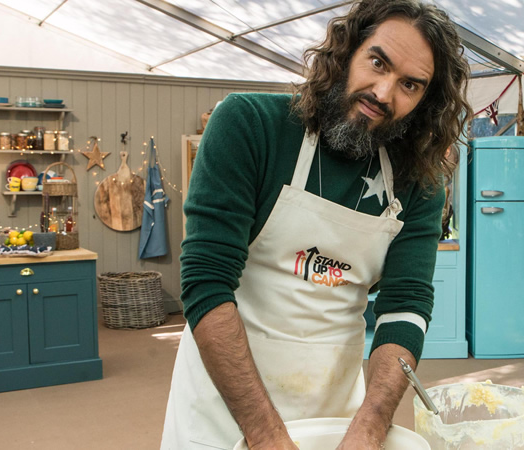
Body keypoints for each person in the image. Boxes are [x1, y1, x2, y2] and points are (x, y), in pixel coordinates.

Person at [160, 0, 472, 448]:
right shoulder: (251, 127)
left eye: (410, 84)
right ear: (346, 51)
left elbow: (405, 306)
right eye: (378, 62)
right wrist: (264, 433)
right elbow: (206, 282)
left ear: (426, 102)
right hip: (223, 405)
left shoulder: (417, 183)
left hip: (336, 413)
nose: (384, 93)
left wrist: (371, 424)